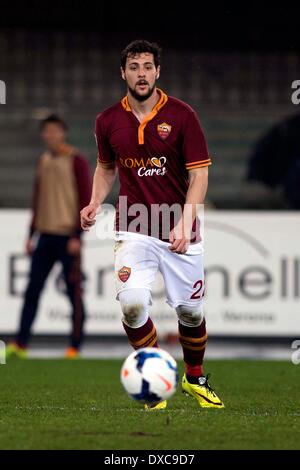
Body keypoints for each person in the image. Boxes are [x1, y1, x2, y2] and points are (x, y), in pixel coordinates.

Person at [81, 40, 224, 409]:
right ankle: (153, 378)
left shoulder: (182, 115)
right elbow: (106, 166)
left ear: (158, 72)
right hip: (134, 227)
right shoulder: (108, 120)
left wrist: (185, 220)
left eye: (147, 66)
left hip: (181, 230)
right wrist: (96, 201)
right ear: (123, 73)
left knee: (191, 313)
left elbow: (200, 175)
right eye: (134, 67)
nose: (141, 73)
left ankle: (195, 377)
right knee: (131, 304)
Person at [7, 114, 91, 359]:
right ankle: (21, 344)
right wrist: (30, 234)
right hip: (44, 235)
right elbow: (38, 199)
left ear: (63, 133)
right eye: (46, 131)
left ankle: (75, 346)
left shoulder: (76, 160)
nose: (50, 135)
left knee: (74, 293)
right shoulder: (43, 161)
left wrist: (78, 235)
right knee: (32, 290)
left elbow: (85, 199)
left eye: (54, 130)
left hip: (68, 237)